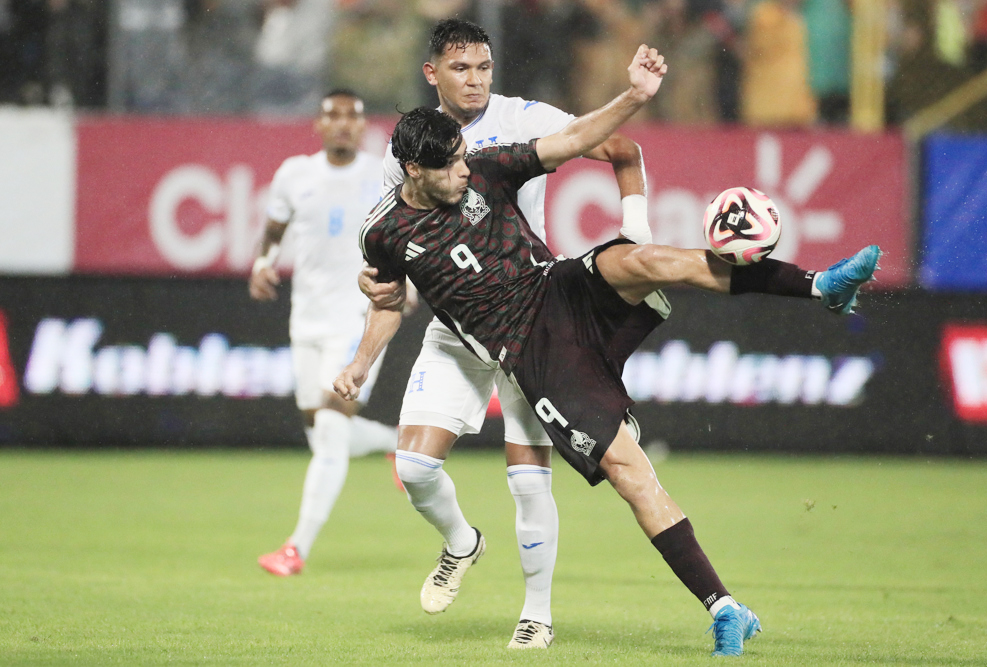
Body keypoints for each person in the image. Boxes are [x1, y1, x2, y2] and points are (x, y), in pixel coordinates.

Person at [335, 45, 881, 656]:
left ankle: (821, 286)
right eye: (451, 165)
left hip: (559, 288)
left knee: (646, 260)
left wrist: (636, 96)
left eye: (465, 156)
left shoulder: (487, 166)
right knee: (629, 472)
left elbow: (574, 141)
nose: (465, 170)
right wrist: (360, 362)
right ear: (413, 170)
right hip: (533, 357)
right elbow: (388, 300)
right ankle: (725, 607)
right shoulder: (382, 234)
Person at [359, 18, 652, 649]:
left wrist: (636, 234)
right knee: (414, 468)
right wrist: (380, 287)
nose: (476, 80)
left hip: (531, 318)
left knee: (528, 479)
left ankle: (536, 613)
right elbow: (401, 247)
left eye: (484, 67)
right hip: (458, 326)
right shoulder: (408, 147)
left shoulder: (524, 119)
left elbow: (619, 149)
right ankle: (461, 542)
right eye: (461, 68)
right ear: (431, 73)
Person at [250, 89, 402, 577]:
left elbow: (409, 232)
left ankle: (296, 548)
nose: (342, 124)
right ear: (318, 124)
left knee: (332, 427)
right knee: (319, 432)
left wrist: (411, 281)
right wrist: (262, 262)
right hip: (307, 320)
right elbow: (275, 228)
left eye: (352, 116)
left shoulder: (383, 176)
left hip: (358, 319)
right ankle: (396, 441)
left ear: (362, 126)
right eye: (333, 115)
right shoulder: (295, 174)